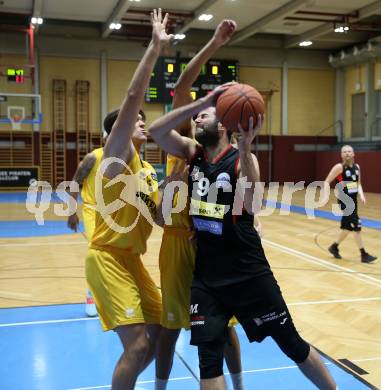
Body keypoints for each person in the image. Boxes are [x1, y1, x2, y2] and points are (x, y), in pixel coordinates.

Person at [148, 86, 337, 389]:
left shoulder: (240, 159)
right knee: (208, 359)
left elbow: (252, 204)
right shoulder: (191, 152)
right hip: (207, 277)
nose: (196, 119)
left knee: (291, 344)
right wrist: (204, 102)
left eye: (204, 116)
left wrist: (247, 145)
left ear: (223, 124)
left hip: (248, 272)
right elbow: (157, 131)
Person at [84, 9, 173, 389]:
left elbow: (159, 219)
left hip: (132, 260)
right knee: (137, 346)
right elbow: (134, 95)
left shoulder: (148, 170)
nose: (140, 120)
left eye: (140, 118)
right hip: (107, 258)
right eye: (134, 118)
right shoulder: (116, 156)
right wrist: (154, 49)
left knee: (157, 333)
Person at [155, 20, 244, 390]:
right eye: (198, 112)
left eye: (208, 113)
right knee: (171, 327)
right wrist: (214, 42)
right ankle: (160, 386)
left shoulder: (228, 157)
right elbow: (183, 85)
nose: (199, 116)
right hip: (178, 243)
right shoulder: (184, 146)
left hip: (210, 242)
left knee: (224, 326)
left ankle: (239, 384)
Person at [325, 145, 377, 263]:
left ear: (353, 154)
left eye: (349, 151)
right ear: (341, 155)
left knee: (347, 227)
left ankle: (334, 247)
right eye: (344, 152)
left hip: (353, 200)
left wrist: (362, 194)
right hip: (345, 201)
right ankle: (364, 254)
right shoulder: (339, 167)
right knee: (357, 226)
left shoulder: (357, 167)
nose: (347, 153)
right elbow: (327, 181)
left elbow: (358, 184)